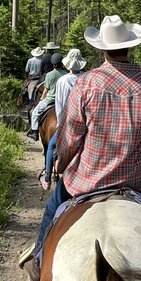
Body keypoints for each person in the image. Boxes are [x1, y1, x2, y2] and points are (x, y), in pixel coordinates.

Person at [21, 15, 141, 281]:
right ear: (130, 47)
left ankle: (39, 258)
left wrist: (61, 164)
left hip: (89, 178)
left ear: (102, 48)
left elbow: (71, 138)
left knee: (55, 204)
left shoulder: (86, 83)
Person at [41, 48, 86, 186]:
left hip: (68, 121)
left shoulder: (63, 80)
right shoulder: (86, 77)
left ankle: (47, 176)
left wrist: (61, 124)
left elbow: (59, 103)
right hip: (85, 122)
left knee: (52, 145)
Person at [27, 51, 65, 139]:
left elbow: (45, 90)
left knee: (35, 112)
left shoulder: (49, 74)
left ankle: (34, 132)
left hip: (50, 100)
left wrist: (41, 98)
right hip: (63, 100)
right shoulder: (65, 74)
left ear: (53, 64)